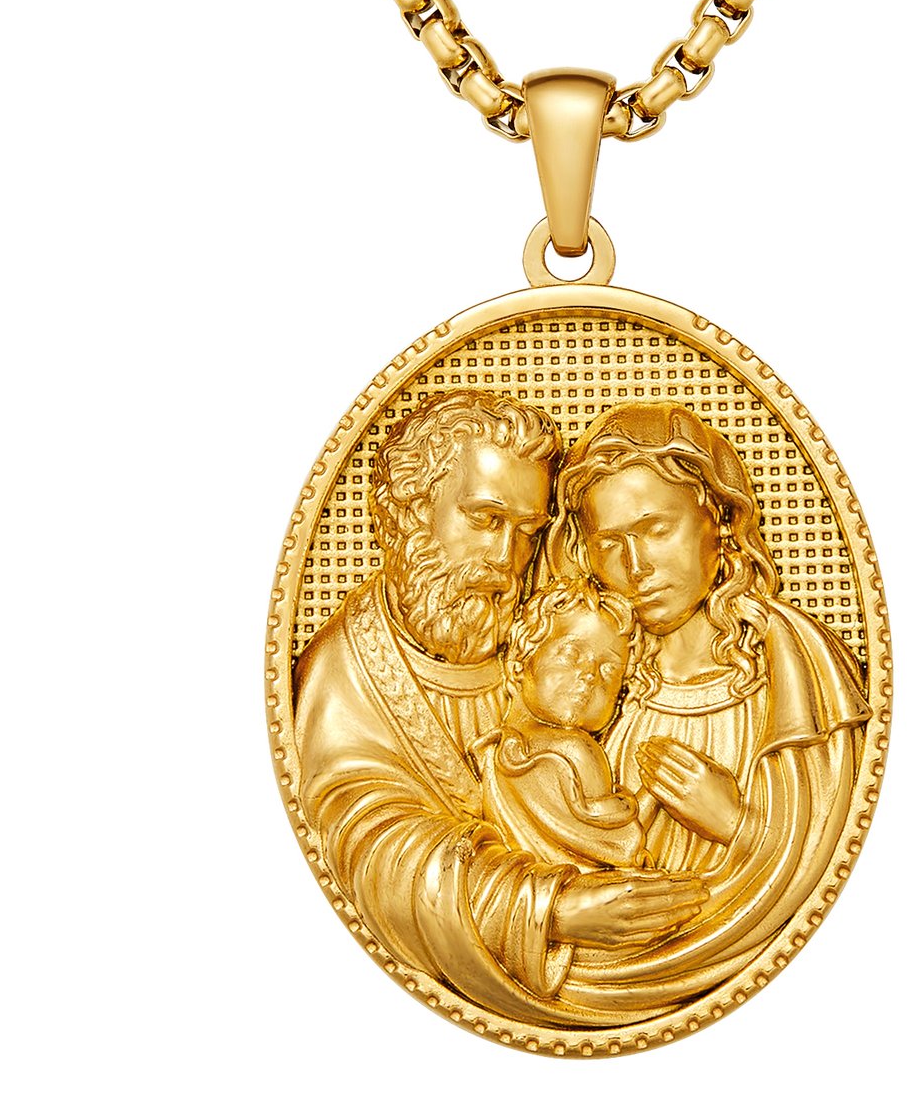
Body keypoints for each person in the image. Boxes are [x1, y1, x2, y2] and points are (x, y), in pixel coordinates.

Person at [289, 389, 703, 1024]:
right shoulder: (347, 672)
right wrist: (553, 909)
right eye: (486, 519)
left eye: (527, 531)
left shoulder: (549, 629)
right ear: (411, 510)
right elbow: (373, 853)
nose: (508, 558)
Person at [542, 401, 871, 1016]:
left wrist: (735, 824)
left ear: (717, 519)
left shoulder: (796, 666)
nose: (636, 568)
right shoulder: (593, 676)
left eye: (655, 530)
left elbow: (833, 849)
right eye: (610, 543)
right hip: (596, 967)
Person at [475, 578, 648, 872]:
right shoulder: (576, 750)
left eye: (609, 669)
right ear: (518, 662)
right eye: (572, 654)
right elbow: (620, 849)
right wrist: (654, 793)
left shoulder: (493, 750)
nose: (590, 674)